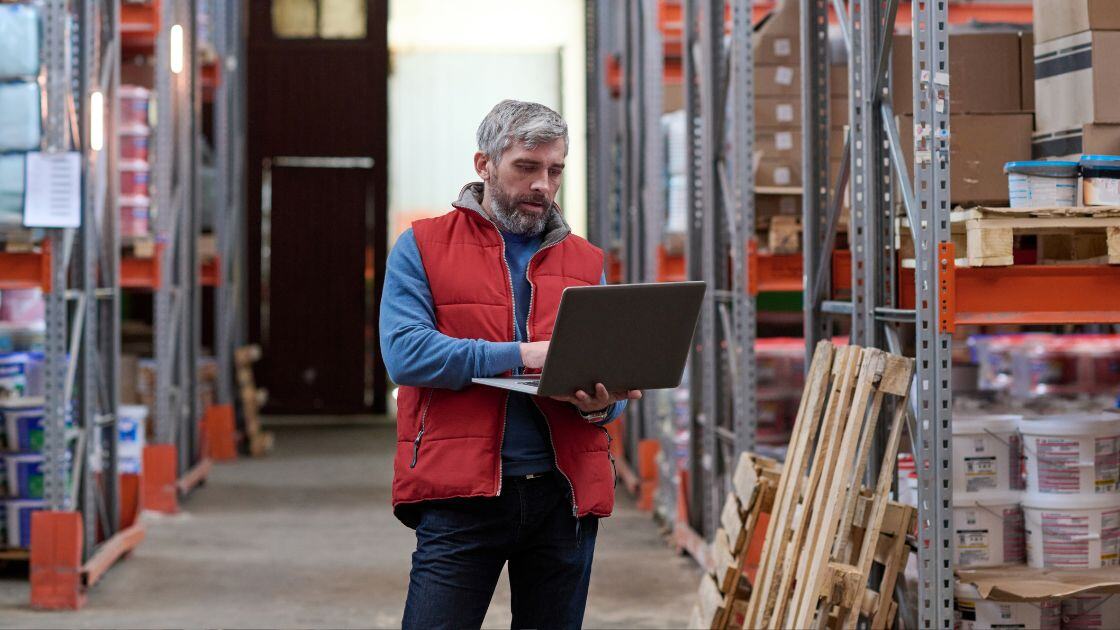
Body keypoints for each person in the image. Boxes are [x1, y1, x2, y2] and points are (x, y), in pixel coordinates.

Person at [379, 99, 642, 629]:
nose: (543, 184)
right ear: (484, 165)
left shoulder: (586, 262)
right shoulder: (423, 247)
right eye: (526, 167)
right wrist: (523, 356)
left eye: (555, 170)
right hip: (461, 497)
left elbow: (608, 389)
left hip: (562, 496)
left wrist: (600, 406)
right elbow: (405, 352)